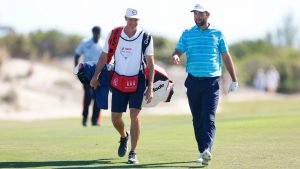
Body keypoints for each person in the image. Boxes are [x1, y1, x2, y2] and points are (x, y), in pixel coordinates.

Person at [171, 3, 238, 166]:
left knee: (208, 117)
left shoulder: (218, 33)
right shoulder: (187, 33)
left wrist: (234, 79)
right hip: (193, 81)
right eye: (195, 14)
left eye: (200, 14)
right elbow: (178, 50)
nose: (197, 17)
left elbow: (226, 57)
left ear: (208, 14)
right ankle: (202, 151)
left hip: (212, 82)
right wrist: (176, 56)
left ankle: (207, 150)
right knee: (197, 119)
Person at [90, 8, 154, 164]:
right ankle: (124, 136)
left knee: (134, 114)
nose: (133, 22)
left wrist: (150, 87)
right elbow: (104, 57)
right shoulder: (114, 34)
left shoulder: (145, 37)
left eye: (136, 20)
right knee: (115, 118)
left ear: (139, 20)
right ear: (125, 18)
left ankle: (133, 153)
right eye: (130, 19)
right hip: (118, 80)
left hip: (137, 80)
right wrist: (95, 75)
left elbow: (151, 63)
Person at [74, 26, 103, 126]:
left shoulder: (103, 44)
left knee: (98, 97)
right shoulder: (85, 42)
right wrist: (77, 70)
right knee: (88, 96)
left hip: (100, 74)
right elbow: (77, 55)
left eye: (98, 33)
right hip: (86, 73)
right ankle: (85, 118)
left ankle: (95, 120)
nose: (96, 34)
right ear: (92, 33)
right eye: (95, 32)